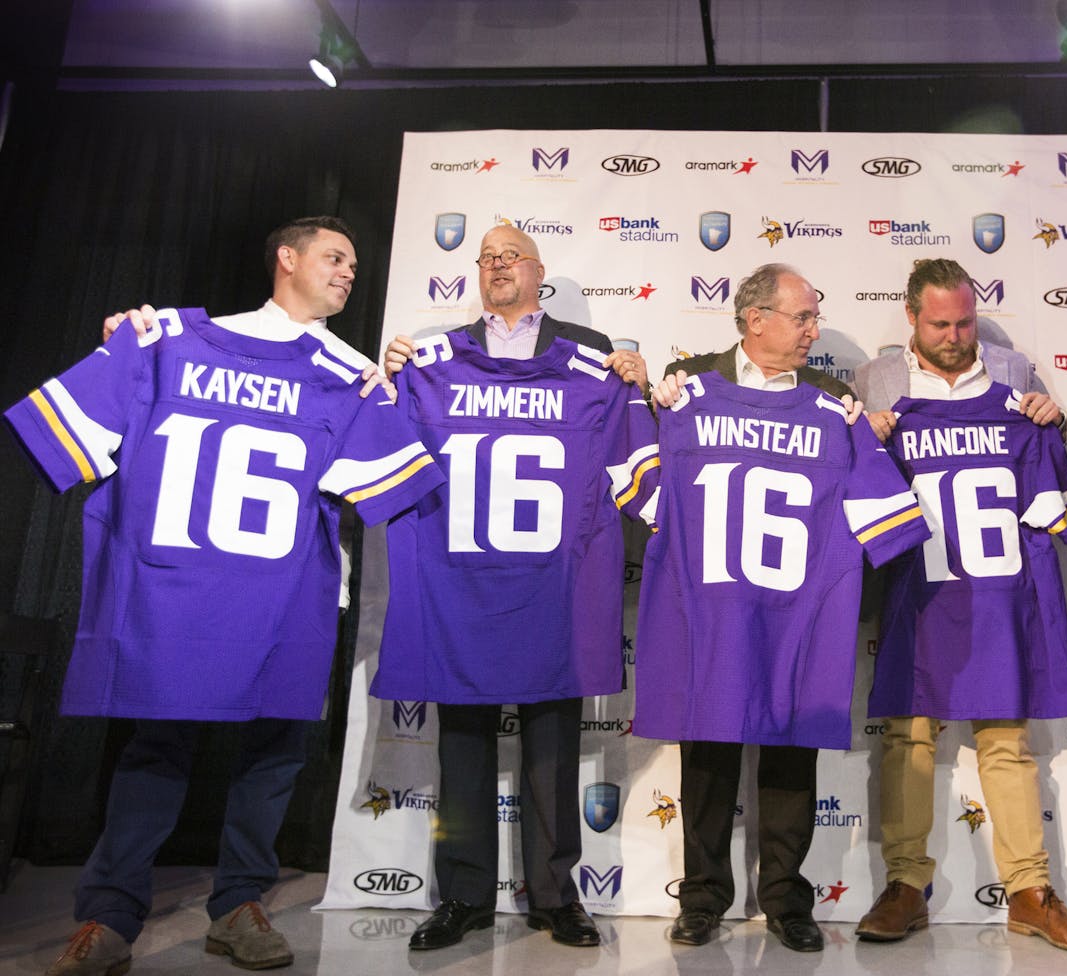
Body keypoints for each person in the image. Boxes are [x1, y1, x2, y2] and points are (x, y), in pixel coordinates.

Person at [35, 217, 445, 975]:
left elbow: (404, 489)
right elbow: (61, 437)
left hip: (283, 601)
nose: (349, 272)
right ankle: (110, 915)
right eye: (335, 257)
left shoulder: (350, 373)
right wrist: (120, 342)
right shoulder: (161, 340)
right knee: (155, 750)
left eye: (354, 263)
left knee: (274, 752)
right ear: (286, 259)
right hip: (177, 596)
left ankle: (238, 904)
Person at [380, 223, 648, 951]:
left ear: (539, 270)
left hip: (554, 588)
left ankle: (556, 897)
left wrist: (639, 382)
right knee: (461, 746)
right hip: (462, 584)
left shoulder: (590, 355)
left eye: (511, 257)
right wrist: (390, 374)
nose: (498, 266)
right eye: (487, 258)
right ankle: (462, 895)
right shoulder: (432, 357)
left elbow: (629, 441)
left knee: (553, 747)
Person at [851, 258, 1067, 953]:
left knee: (1006, 739)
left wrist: (1050, 423)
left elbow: (1052, 466)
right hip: (917, 585)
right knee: (909, 737)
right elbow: (853, 477)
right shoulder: (876, 379)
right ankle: (906, 885)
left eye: (965, 319)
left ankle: (1029, 890)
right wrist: (864, 438)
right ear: (911, 316)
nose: (956, 334)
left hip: (997, 588)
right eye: (941, 322)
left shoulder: (1014, 371)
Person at [647, 263, 879, 954]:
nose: (814, 329)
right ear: (756, 320)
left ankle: (784, 898)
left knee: (789, 748)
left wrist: (874, 430)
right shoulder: (687, 385)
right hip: (713, 608)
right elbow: (640, 482)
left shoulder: (831, 400)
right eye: (804, 316)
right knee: (708, 751)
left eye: (814, 316)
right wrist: (647, 402)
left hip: (791, 612)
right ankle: (703, 897)